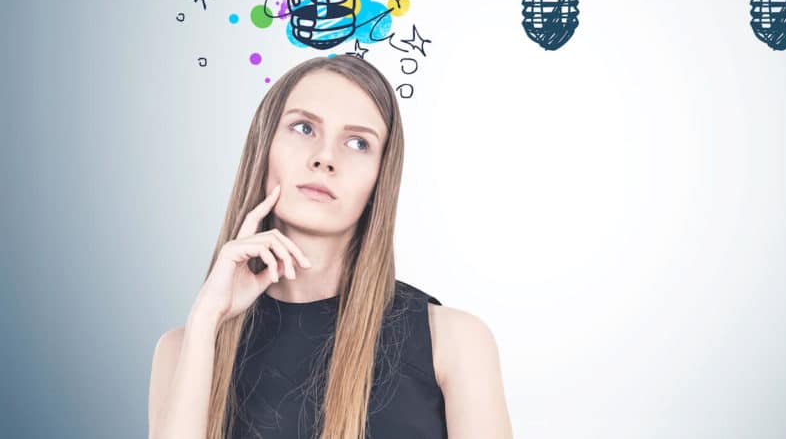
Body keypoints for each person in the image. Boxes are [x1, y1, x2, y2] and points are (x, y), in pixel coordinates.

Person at [148, 55, 514, 439]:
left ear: (379, 179)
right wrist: (207, 318)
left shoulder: (454, 342)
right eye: (304, 128)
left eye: (358, 143)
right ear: (264, 147)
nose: (325, 158)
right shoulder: (183, 349)